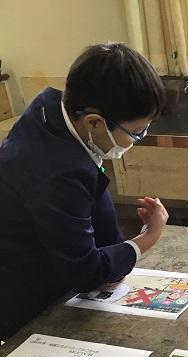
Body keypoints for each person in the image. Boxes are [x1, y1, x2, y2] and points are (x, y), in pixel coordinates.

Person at [0, 42, 169, 341]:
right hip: (28, 300)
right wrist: (147, 237)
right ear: (94, 122)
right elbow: (86, 273)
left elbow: (88, 181)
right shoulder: (56, 172)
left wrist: (117, 250)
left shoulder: (54, 106)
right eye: (135, 133)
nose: (138, 139)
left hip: (52, 266)